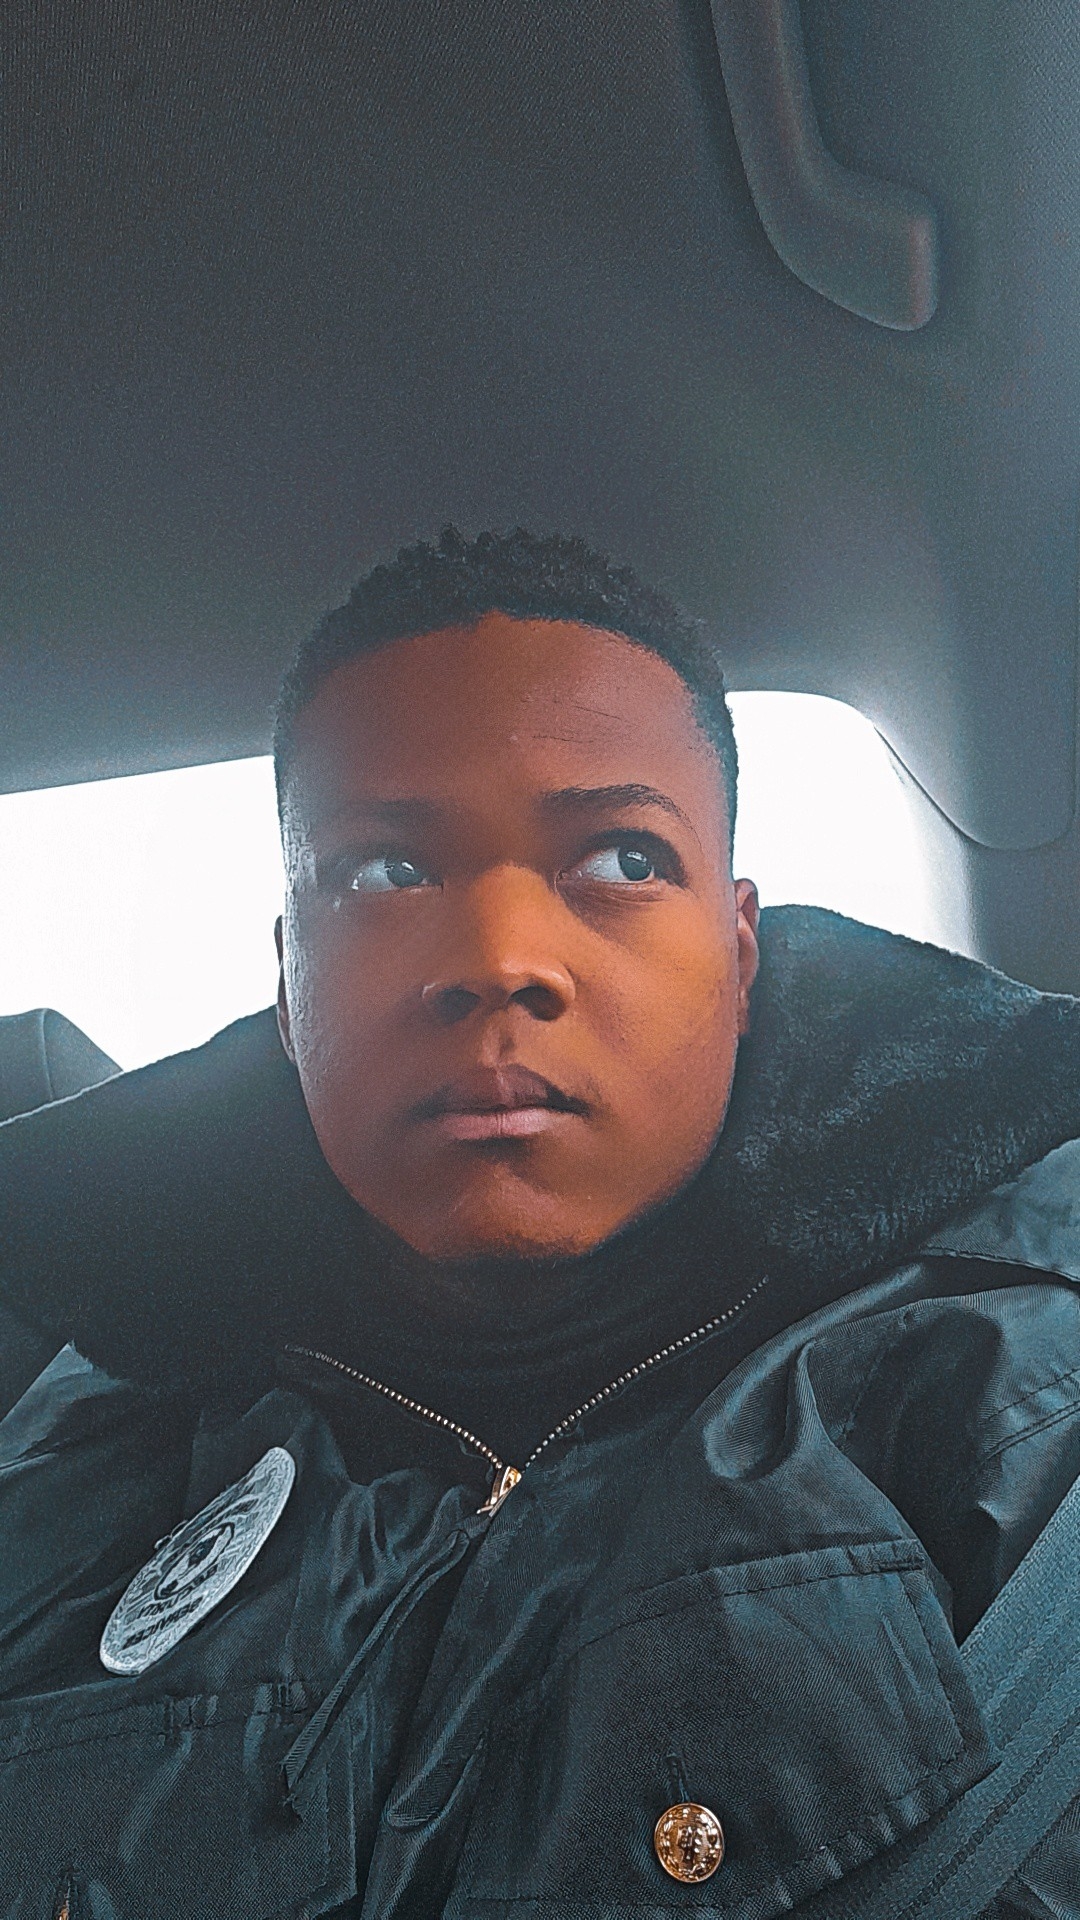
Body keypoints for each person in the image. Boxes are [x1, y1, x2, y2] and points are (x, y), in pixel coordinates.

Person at [0, 526, 1078, 1918]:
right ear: (285, 981)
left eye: (623, 858)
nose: (501, 961)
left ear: (739, 950)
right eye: (386, 874)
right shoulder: (63, 1468)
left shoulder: (1021, 1413)